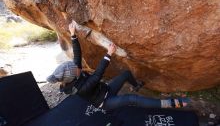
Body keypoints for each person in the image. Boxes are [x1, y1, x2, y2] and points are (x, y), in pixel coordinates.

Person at [47, 21, 189, 110]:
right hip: (105, 102)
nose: (78, 66)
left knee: (126, 74)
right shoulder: (79, 89)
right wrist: (108, 54)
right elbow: (97, 75)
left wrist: (73, 34)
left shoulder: (74, 71)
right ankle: (168, 104)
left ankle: (137, 86)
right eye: (77, 68)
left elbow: (77, 55)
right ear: (73, 76)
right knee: (131, 100)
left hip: (106, 89)